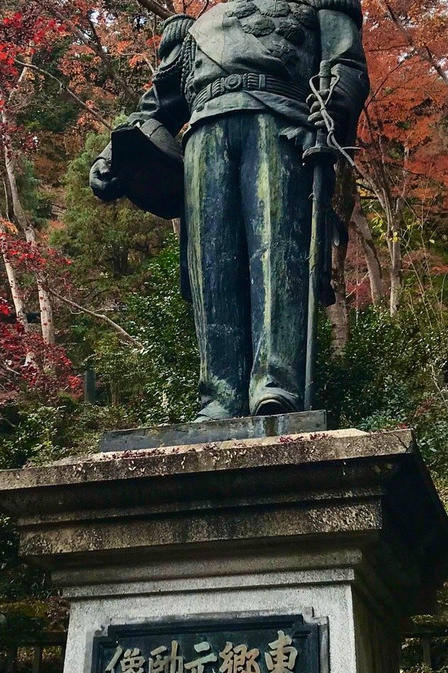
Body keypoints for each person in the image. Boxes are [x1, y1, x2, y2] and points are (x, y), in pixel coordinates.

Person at [89, 0, 370, 420]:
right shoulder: (195, 30)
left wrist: (334, 104)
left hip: (279, 124)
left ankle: (275, 383)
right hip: (203, 133)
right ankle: (219, 395)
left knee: (278, 254)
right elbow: (157, 108)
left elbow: (345, 63)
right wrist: (111, 154)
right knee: (212, 266)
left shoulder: (316, 7)